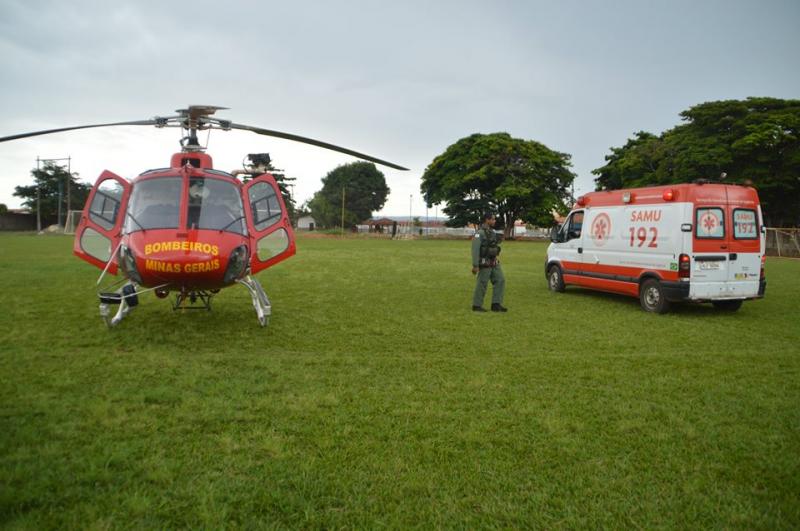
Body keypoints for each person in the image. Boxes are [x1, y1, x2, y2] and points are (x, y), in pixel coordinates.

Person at [471, 213, 507, 312]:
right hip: (484, 262)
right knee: (482, 283)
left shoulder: (492, 232)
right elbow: (475, 249)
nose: (494, 221)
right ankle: (477, 305)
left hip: (493, 261)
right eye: (493, 219)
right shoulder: (479, 233)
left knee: (500, 280)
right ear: (487, 220)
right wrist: (475, 265)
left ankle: (496, 304)